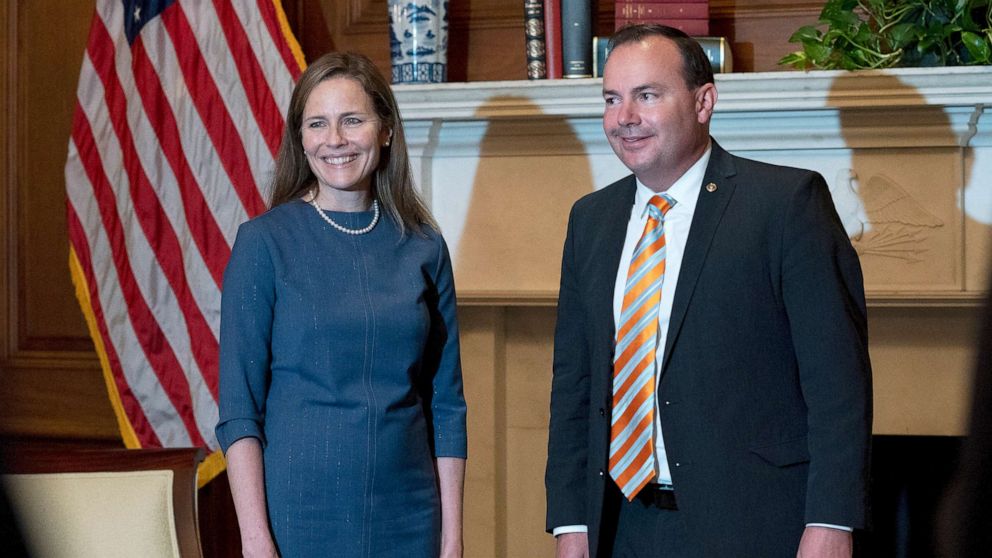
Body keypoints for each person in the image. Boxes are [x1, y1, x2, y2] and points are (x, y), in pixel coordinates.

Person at [545, 25, 872, 558]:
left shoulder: (786, 204)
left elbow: (839, 385)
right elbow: (574, 386)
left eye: (646, 95)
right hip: (618, 525)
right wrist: (569, 524)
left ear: (704, 101)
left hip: (755, 526)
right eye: (611, 99)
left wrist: (832, 521)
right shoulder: (591, 220)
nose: (624, 117)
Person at [215, 52, 467, 558]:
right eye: (317, 123)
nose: (335, 139)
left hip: (411, 516)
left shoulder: (424, 246)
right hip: (298, 518)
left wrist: (452, 538)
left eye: (352, 120)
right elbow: (239, 411)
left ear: (386, 130)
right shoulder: (264, 244)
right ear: (300, 137)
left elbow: (447, 404)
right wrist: (255, 539)